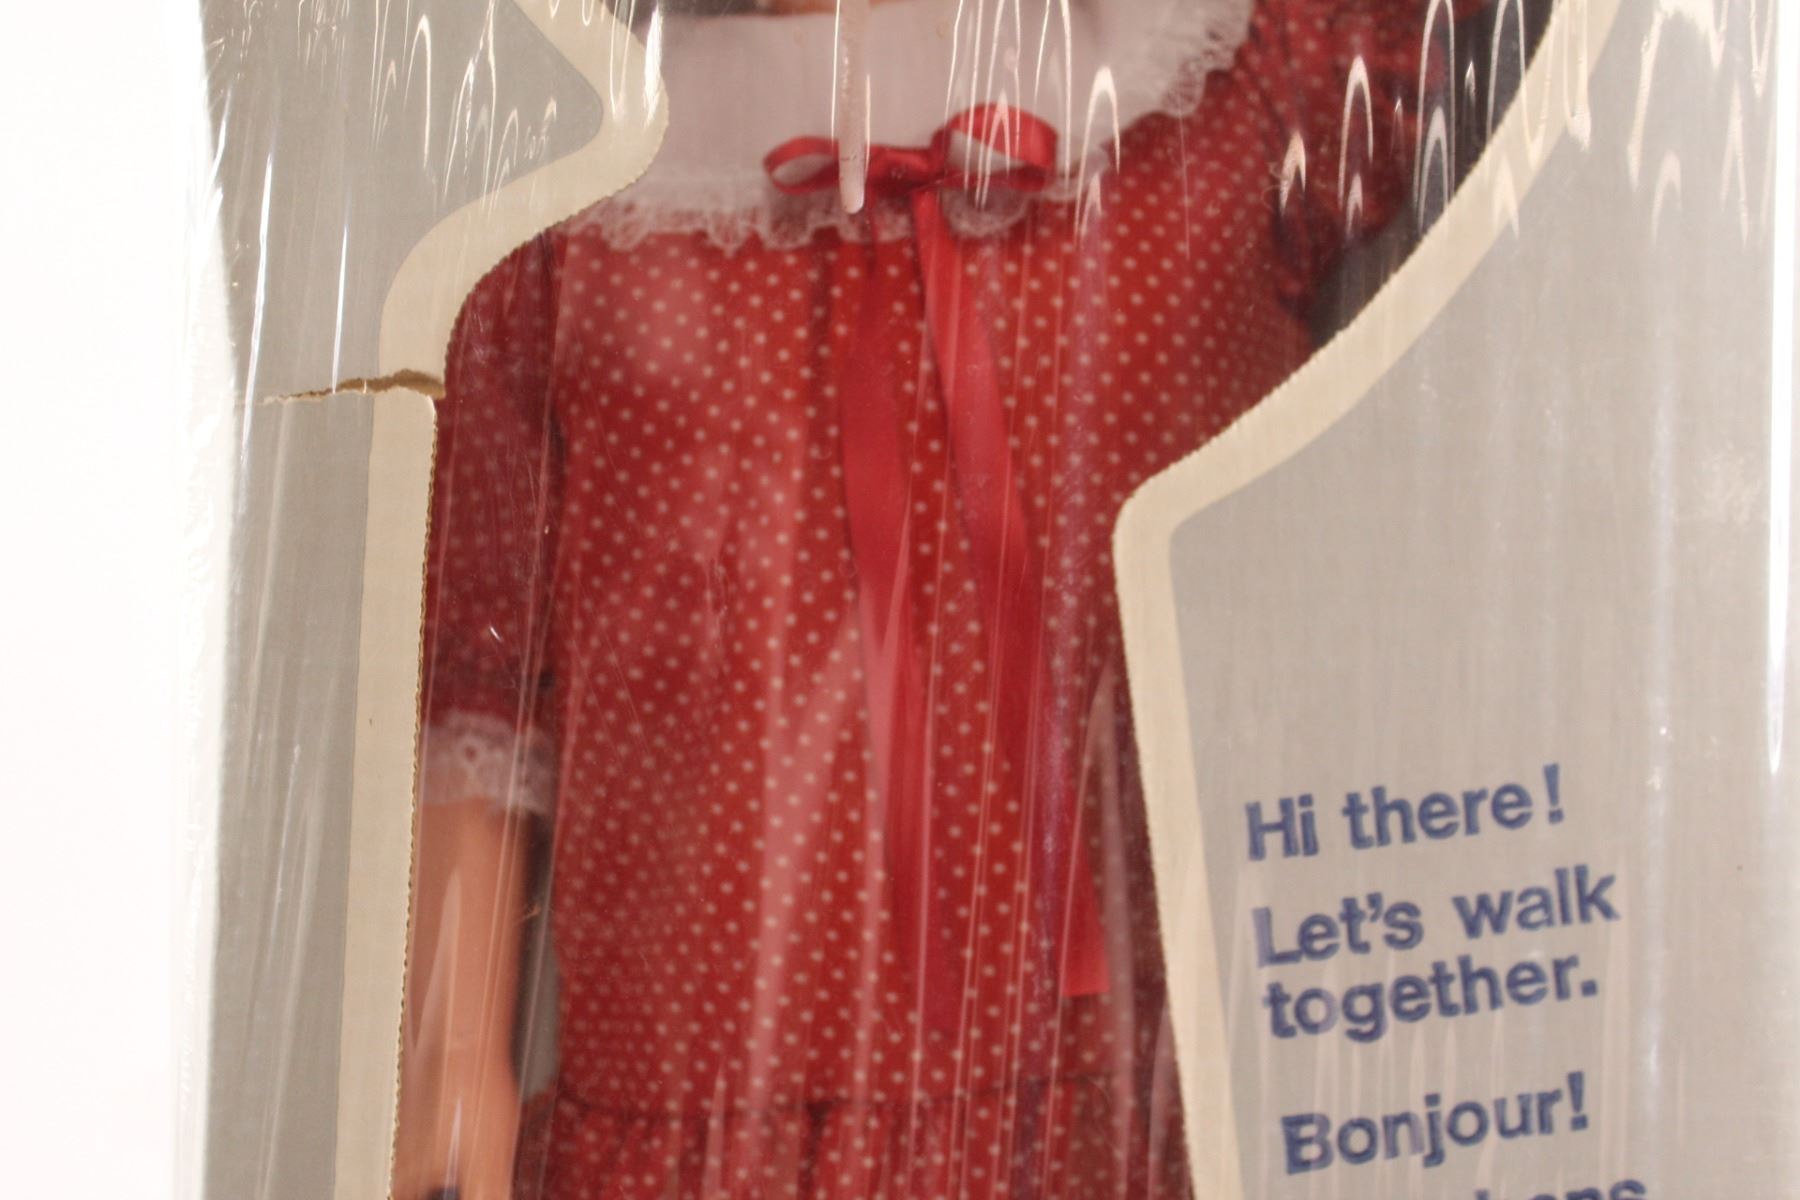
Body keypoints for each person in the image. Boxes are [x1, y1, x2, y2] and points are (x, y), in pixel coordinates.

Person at [394, 0, 1475, 1194]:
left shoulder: (1224, 81)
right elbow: (483, 662)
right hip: (704, 1110)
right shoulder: (573, 187)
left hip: (1173, 1077)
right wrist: (449, 1061)